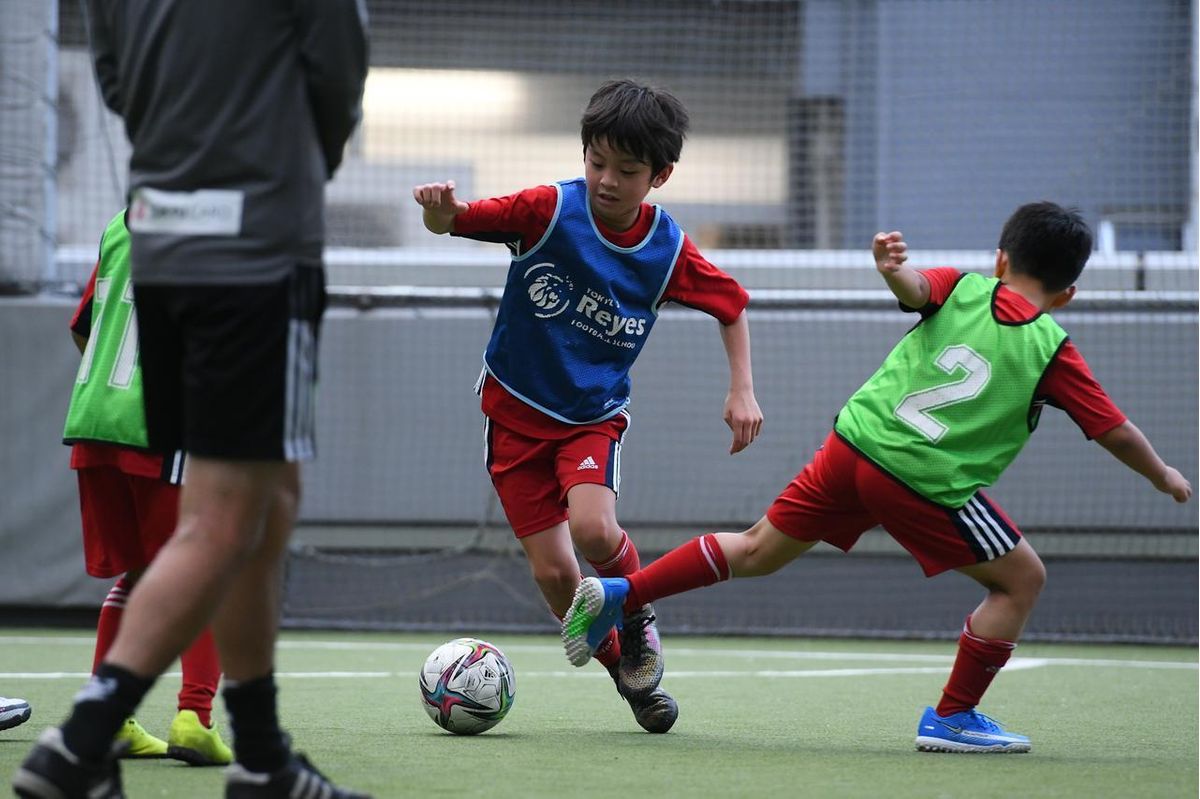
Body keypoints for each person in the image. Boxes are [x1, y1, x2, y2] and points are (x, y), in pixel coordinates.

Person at [562, 202, 1192, 753]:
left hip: (853, 444)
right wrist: (1161, 473)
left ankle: (623, 594)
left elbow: (917, 287)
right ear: (1069, 292)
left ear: (1001, 260)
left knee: (756, 549)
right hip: (919, 478)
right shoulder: (1053, 348)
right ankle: (953, 716)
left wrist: (893, 270)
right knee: (1021, 579)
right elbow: (1115, 430)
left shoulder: (963, 286)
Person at [13, 2, 368, 798]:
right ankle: (79, 743)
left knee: (266, 497)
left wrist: (185, 146)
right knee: (224, 516)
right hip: (257, 246)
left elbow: (113, 81)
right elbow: (338, 82)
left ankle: (262, 756)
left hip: (162, 235)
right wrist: (280, 164)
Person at [412, 78, 764, 734]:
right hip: (513, 416)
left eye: (626, 170)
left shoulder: (666, 251)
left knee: (596, 532)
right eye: (596, 161)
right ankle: (627, 676)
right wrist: (438, 210)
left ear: (660, 175)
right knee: (555, 577)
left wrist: (741, 388)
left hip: (590, 415)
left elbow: (732, 303)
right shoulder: (547, 211)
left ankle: (636, 616)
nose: (606, 180)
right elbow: (455, 221)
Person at [62, 210, 231, 767]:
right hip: (160, 428)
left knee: (140, 572)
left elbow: (83, 324)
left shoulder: (118, 223)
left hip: (95, 420)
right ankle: (195, 717)